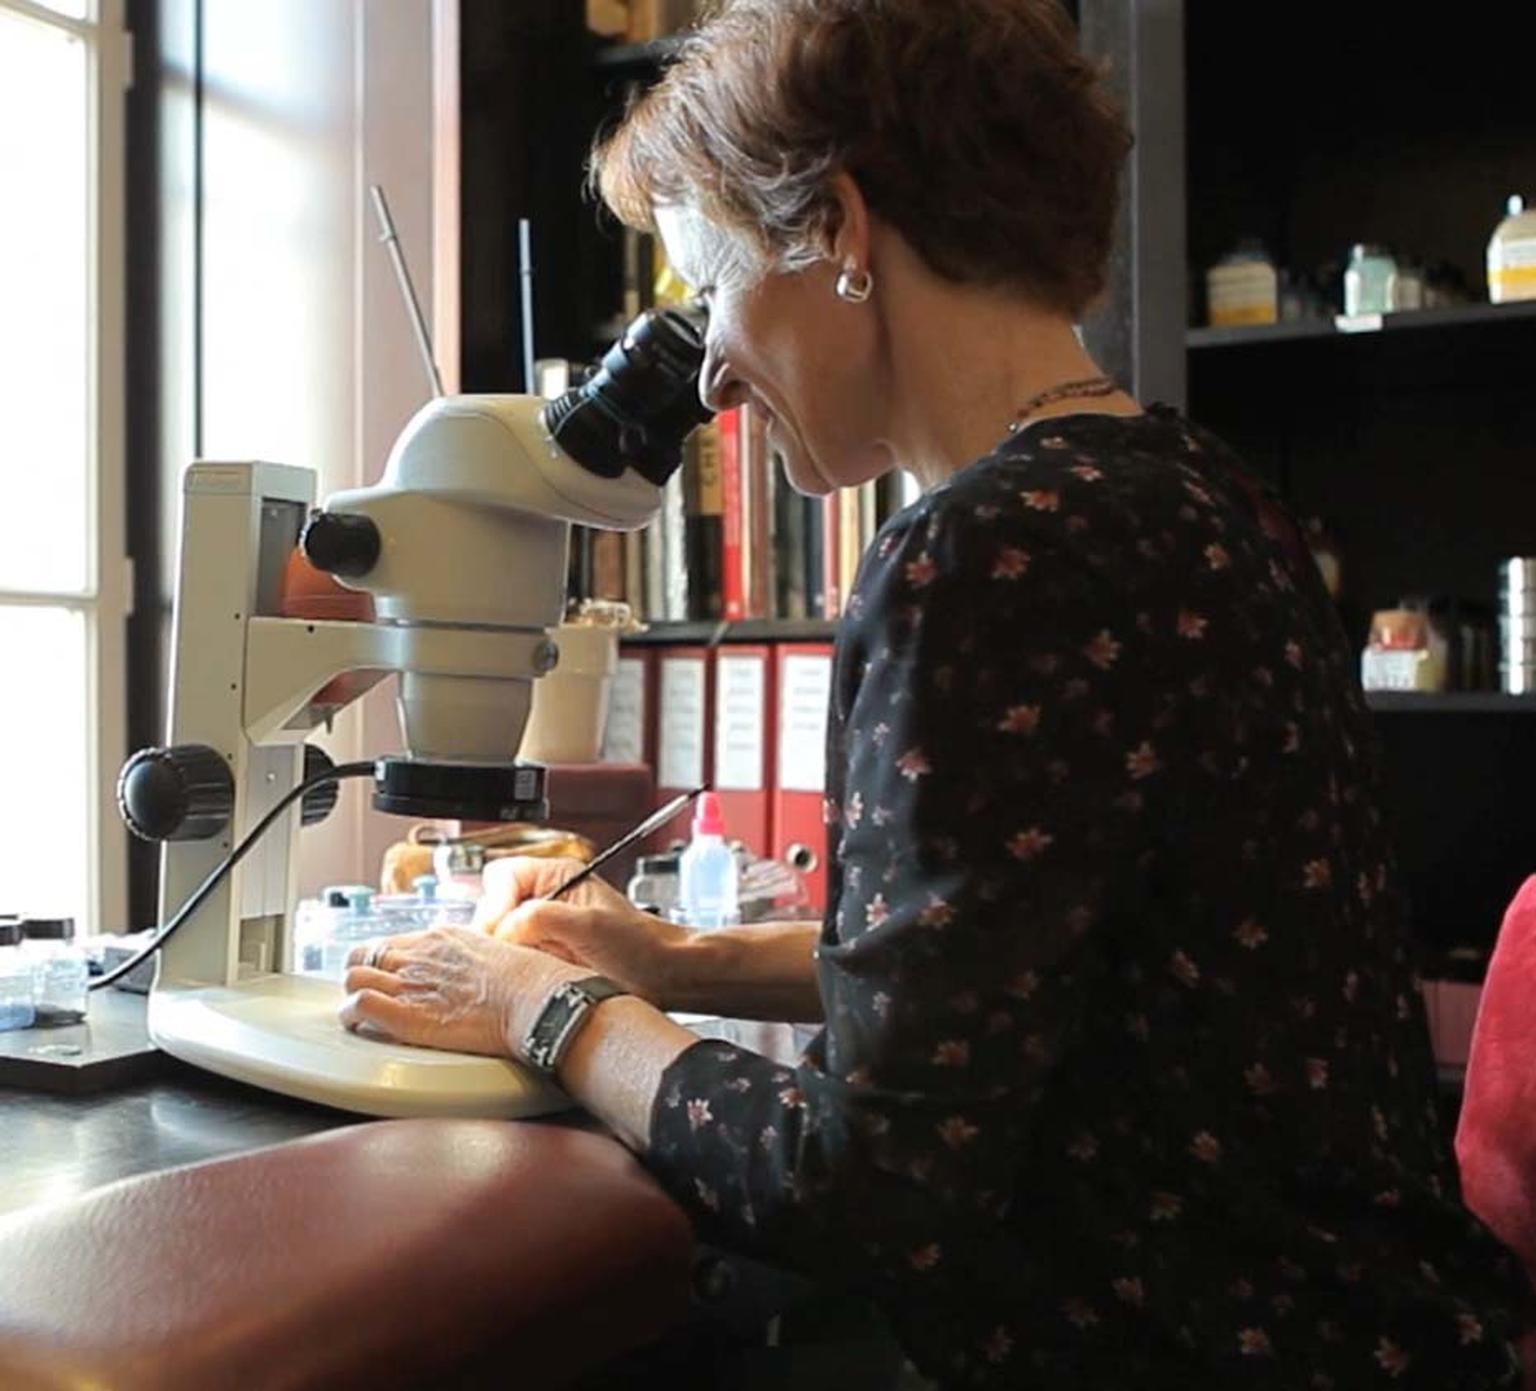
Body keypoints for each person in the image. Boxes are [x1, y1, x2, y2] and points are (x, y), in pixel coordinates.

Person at [340, 0, 1530, 1383]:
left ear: (838, 231)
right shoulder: (1200, 492)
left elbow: (868, 1184)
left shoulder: (979, 556)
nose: (711, 369)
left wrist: (534, 1012)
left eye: (710, 287)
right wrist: (667, 961)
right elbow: (1012, 967)